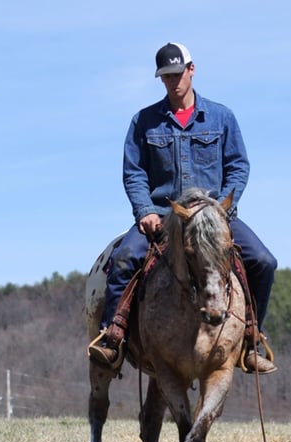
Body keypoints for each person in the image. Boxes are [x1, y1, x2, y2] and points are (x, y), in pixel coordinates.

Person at [89, 42, 278, 374]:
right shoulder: (143, 122)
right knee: (123, 260)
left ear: (191, 70)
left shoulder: (222, 117)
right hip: (162, 216)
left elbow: (238, 166)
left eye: (178, 73)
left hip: (214, 218)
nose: (173, 80)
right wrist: (145, 210)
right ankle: (113, 337)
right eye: (166, 76)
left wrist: (221, 208)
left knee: (263, 261)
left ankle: (250, 338)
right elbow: (133, 172)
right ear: (160, 79)